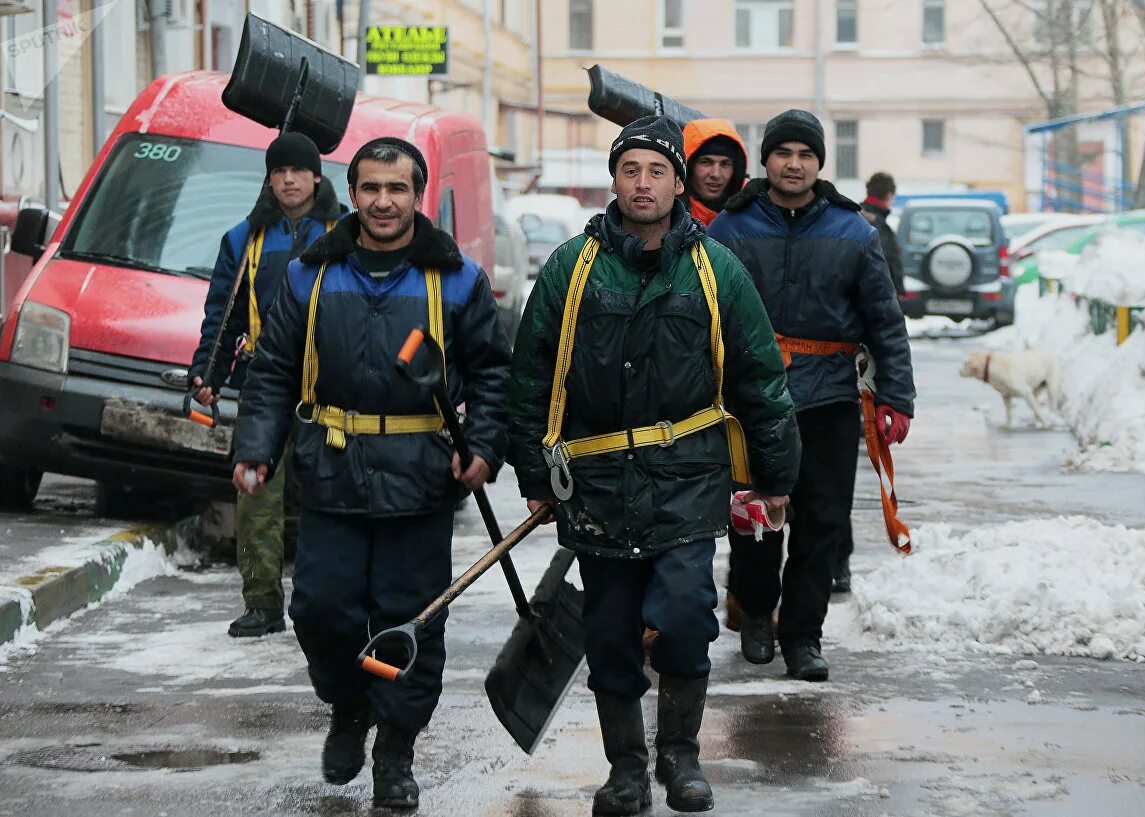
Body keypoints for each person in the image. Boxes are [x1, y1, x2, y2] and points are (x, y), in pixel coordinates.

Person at [508, 116, 800, 816]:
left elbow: (759, 376)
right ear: (615, 179)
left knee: (682, 613)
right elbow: (530, 377)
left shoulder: (715, 268)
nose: (643, 184)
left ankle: (681, 753)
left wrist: (776, 473)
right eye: (631, 170)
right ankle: (626, 769)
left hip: (687, 476)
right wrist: (531, 476)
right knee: (608, 629)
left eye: (657, 172)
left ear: (679, 182)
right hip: (596, 483)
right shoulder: (569, 268)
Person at [231, 137, 510, 810]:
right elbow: (271, 369)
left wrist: (484, 445)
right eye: (371, 187)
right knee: (321, 610)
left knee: (408, 621)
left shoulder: (457, 280)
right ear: (352, 194)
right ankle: (348, 703)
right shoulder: (309, 274)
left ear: (418, 194)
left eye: (398, 188)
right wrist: (256, 446)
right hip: (331, 472)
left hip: (420, 481)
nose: (384, 200)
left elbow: (496, 372)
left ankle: (395, 751)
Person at [708, 110, 915, 682]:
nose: (793, 164)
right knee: (753, 516)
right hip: (750, 401)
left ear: (819, 162)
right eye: (783, 153)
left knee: (822, 522)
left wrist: (896, 396)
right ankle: (754, 616)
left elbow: (885, 321)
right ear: (767, 160)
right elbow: (699, 316)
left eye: (804, 154)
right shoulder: (730, 230)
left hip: (828, 400)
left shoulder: (853, 233)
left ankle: (802, 635)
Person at [188, 132, 342, 638]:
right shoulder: (243, 239)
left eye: (298, 171)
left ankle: (331, 603)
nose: (289, 179)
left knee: (331, 493)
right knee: (255, 493)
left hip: (330, 386)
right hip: (265, 385)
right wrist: (209, 373)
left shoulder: (344, 232)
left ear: (317, 178)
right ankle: (261, 604)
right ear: (269, 179)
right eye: (279, 171)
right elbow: (222, 315)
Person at [681, 118, 748, 226]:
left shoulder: (752, 218)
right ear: (689, 167)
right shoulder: (664, 217)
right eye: (706, 162)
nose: (715, 174)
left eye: (725, 164)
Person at [861, 171, 905, 296]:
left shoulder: (852, 215)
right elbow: (888, 262)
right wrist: (899, 291)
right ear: (889, 196)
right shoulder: (881, 227)